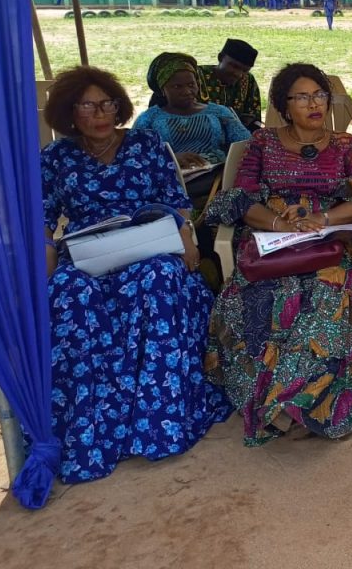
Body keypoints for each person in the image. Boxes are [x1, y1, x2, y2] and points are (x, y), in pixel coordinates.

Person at [41, 66, 229, 483]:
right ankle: (94, 427)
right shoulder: (56, 158)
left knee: (159, 278)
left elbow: (178, 202)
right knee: (69, 293)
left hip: (147, 245)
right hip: (89, 253)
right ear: (70, 113)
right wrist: (46, 265)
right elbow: (43, 220)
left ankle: (157, 421)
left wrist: (188, 242)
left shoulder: (147, 145)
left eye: (107, 102)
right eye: (87, 105)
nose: (100, 112)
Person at [203, 63, 352, 444]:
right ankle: (279, 403)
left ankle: (301, 403)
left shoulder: (346, 145)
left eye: (319, 95)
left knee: (325, 299)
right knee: (262, 301)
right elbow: (243, 199)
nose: (314, 104)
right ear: (284, 105)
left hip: (326, 243)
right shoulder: (263, 142)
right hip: (273, 241)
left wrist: (323, 217)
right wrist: (282, 225)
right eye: (302, 97)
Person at [134, 52, 251, 199]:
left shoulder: (219, 112)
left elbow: (246, 144)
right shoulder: (149, 119)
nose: (187, 91)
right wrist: (170, 159)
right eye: (177, 86)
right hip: (170, 187)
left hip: (219, 183)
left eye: (191, 85)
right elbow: (135, 158)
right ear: (162, 89)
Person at [200, 38, 264, 131]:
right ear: (220, 58)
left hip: (237, 139)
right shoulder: (197, 76)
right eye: (234, 66)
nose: (238, 74)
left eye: (245, 70)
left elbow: (254, 119)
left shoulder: (248, 80)